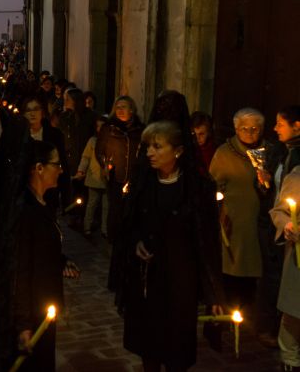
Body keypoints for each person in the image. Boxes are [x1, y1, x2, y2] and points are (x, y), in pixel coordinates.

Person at [119, 121, 225, 372]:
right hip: (148, 278)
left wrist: (214, 291)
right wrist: (136, 242)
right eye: (148, 147)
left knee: (177, 348)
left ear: (177, 151)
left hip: (181, 279)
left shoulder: (196, 189)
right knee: (150, 346)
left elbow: (207, 241)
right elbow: (128, 224)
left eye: (157, 147)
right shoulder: (143, 184)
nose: (149, 153)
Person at [0, 140, 80, 372]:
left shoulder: (44, 203)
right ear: (39, 168)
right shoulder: (25, 212)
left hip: (43, 307)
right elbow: (19, 268)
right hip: (30, 313)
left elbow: (40, 249)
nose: (61, 170)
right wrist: (23, 325)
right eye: (56, 164)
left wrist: (61, 260)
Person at [209, 108, 268, 314]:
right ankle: (228, 308)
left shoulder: (266, 152)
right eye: (245, 128)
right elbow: (213, 185)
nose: (250, 132)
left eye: (255, 128)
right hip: (232, 219)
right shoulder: (224, 153)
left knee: (254, 266)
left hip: (258, 221)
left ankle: (248, 308)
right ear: (236, 128)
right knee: (232, 265)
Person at [270, 105, 300, 372]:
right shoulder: (297, 174)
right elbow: (279, 209)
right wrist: (287, 224)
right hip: (298, 260)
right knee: (293, 315)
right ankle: (290, 361)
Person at [96, 96, 144, 242]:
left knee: (131, 210)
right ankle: (114, 240)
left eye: (124, 107)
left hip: (134, 178)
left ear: (132, 110)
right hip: (115, 177)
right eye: (117, 107)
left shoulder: (139, 129)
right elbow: (99, 151)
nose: (120, 110)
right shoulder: (108, 128)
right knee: (115, 210)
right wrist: (106, 164)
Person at [77, 116, 109, 237]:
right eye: (98, 125)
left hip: (107, 178)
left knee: (106, 206)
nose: (100, 128)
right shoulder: (92, 141)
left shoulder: (111, 141)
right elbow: (86, 158)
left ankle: (105, 229)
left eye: (102, 125)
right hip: (94, 176)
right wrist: (81, 170)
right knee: (92, 203)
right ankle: (87, 227)